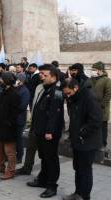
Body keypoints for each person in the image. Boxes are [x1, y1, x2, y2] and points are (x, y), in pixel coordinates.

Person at [27, 64, 64, 198]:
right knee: (44, 157)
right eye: (41, 74)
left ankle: (52, 186)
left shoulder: (57, 91)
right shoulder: (46, 88)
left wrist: (49, 131)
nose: (41, 76)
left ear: (53, 77)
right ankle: (43, 180)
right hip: (40, 130)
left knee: (51, 159)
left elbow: (55, 114)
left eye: (44, 75)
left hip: (49, 133)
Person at [62, 78, 103, 200]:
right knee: (78, 168)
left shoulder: (90, 98)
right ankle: (77, 193)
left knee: (85, 170)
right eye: (66, 94)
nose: (67, 96)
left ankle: (84, 196)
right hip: (78, 140)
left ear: (75, 88)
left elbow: (95, 121)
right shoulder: (75, 98)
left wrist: (81, 134)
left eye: (68, 93)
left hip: (88, 141)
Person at [0, 72, 20, 180]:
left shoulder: (14, 94)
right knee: (0, 149)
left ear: (7, 81)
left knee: (9, 151)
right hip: (0, 126)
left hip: (9, 127)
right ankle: (0, 166)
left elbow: (15, 112)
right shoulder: (3, 92)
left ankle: (11, 171)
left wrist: (8, 123)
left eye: (1, 79)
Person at [87, 61, 111, 148]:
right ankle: (95, 142)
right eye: (92, 69)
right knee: (93, 126)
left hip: (102, 109)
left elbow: (108, 94)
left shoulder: (106, 80)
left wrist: (101, 106)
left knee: (103, 127)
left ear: (100, 70)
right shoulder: (90, 79)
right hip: (91, 108)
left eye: (94, 69)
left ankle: (103, 143)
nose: (93, 71)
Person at [15, 73, 31, 163]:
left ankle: (19, 156)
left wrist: (13, 108)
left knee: (19, 139)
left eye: (17, 79)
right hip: (14, 118)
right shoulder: (16, 89)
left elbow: (22, 106)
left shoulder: (25, 91)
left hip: (20, 118)